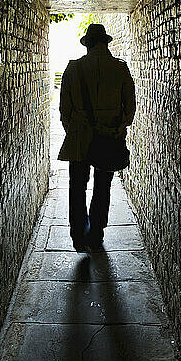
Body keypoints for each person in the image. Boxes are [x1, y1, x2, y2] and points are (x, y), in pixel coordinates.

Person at [58, 23, 136, 252]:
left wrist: (74, 130)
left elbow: (65, 110)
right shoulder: (120, 69)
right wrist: (118, 127)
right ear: (106, 43)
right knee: (103, 186)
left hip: (81, 135)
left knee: (77, 185)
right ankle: (96, 233)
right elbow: (129, 108)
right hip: (110, 136)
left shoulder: (74, 69)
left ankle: (79, 235)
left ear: (88, 45)